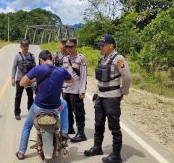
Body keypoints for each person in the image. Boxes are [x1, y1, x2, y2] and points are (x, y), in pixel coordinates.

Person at [15, 50, 75, 160]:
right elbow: (71, 81)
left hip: (38, 109)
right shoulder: (61, 70)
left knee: (27, 127)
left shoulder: (38, 69)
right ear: (51, 59)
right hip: (56, 109)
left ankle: (21, 152)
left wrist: (34, 79)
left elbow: (22, 83)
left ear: (40, 59)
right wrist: (59, 81)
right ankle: (65, 132)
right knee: (65, 104)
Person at [84, 34, 131, 163]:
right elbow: (100, 80)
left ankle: (116, 155)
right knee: (98, 123)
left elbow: (127, 77)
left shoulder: (118, 58)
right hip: (101, 96)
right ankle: (97, 147)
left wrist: (123, 92)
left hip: (112, 97)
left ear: (111, 45)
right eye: (100, 45)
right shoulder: (102, 58)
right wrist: (96, 93)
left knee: (114, 126)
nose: (101, 47)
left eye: (103, 45)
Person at [62, 38, 88, 142]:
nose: (68, 48)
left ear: (76, 46)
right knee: (67, 111)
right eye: (67, 46)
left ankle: (81, 133)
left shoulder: (81, 58)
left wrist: (82, 91)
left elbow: (84, 76)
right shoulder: (65, 58)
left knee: (78, 112)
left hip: (76, 90)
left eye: (71, 47)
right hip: (66, 90)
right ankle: (70, 128)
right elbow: (63, 74)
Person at [12, 39, 36, 120]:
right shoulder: (17, 56)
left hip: (29, 80)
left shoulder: (32, 56)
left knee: (30, 97)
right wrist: (12, 78)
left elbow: (35, 68)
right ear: (21, 46)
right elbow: (14, 67)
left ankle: (30, 112)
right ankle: (17, 113)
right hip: (19, 80)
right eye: (24, 46)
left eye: (27, 45)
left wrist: (36, 79)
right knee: (18, 97)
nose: (26, 47)